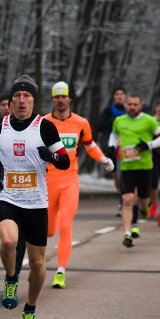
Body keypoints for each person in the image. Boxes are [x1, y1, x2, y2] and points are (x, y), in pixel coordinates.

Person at [0, 74, 70, 319]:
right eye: (17, 97)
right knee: (9, 241)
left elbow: (64, 162)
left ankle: (30, 309)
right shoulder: (0, 126)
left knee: (38, 264)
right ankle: (11, 278)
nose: (22, 101)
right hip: (6, 195)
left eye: (27, 97)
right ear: (10, 102)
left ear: (33, 100)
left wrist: (51, 155)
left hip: (35, 200)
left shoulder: (45, 127)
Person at [42, 81, 114, 288]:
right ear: (53, 99)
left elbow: (90, 145)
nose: (61, 100)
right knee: (48, 230)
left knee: (66, 225)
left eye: (64, 96)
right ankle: (51, 238)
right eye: (57, 97)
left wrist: (103, 159)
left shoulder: (81, 123)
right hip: (48, 182)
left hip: (70, 180)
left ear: (69, 98)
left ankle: (61, 271)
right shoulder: (44, 123)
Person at [108, 92, 160, 247]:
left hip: (145, 166)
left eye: (135, 104)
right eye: (130, 104)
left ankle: (143, 209)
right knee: (127, 199)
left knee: (143, 201)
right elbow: (114, 135)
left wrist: (148, 145)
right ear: (126, 105)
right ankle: (127, 233)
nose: (132, 107)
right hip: (127, 167)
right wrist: (112, 146)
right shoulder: (119, 120)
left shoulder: (148, 121)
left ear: (140, 106)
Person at [98, 88, 128, 217]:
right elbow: (99, 127)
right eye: (117, 94)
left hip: (128, 147)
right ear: (114, 97)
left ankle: (124, 202)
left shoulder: (130, 109)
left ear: (125, 97)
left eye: (122, 94)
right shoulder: (109, 110)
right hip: (112, 147)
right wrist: (113, 120)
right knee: (117, 179)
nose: (120, 96)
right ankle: (123, 194)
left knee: (126, 176)